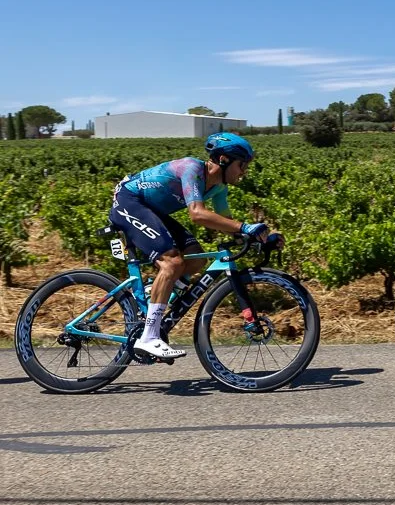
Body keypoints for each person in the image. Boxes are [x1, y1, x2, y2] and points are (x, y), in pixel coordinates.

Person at [109, 133, 278, 360]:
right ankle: (149, 338)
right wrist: (246, 227)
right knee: (171, 263)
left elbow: (229, 225)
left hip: (151, 209)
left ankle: (155, 294)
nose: (244, 171)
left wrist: (260, 237)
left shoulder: (219, 188)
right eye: (242, 165)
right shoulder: (192, 169)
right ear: (224, 160)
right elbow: (197, 214)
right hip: (129, 200)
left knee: (196, 258)